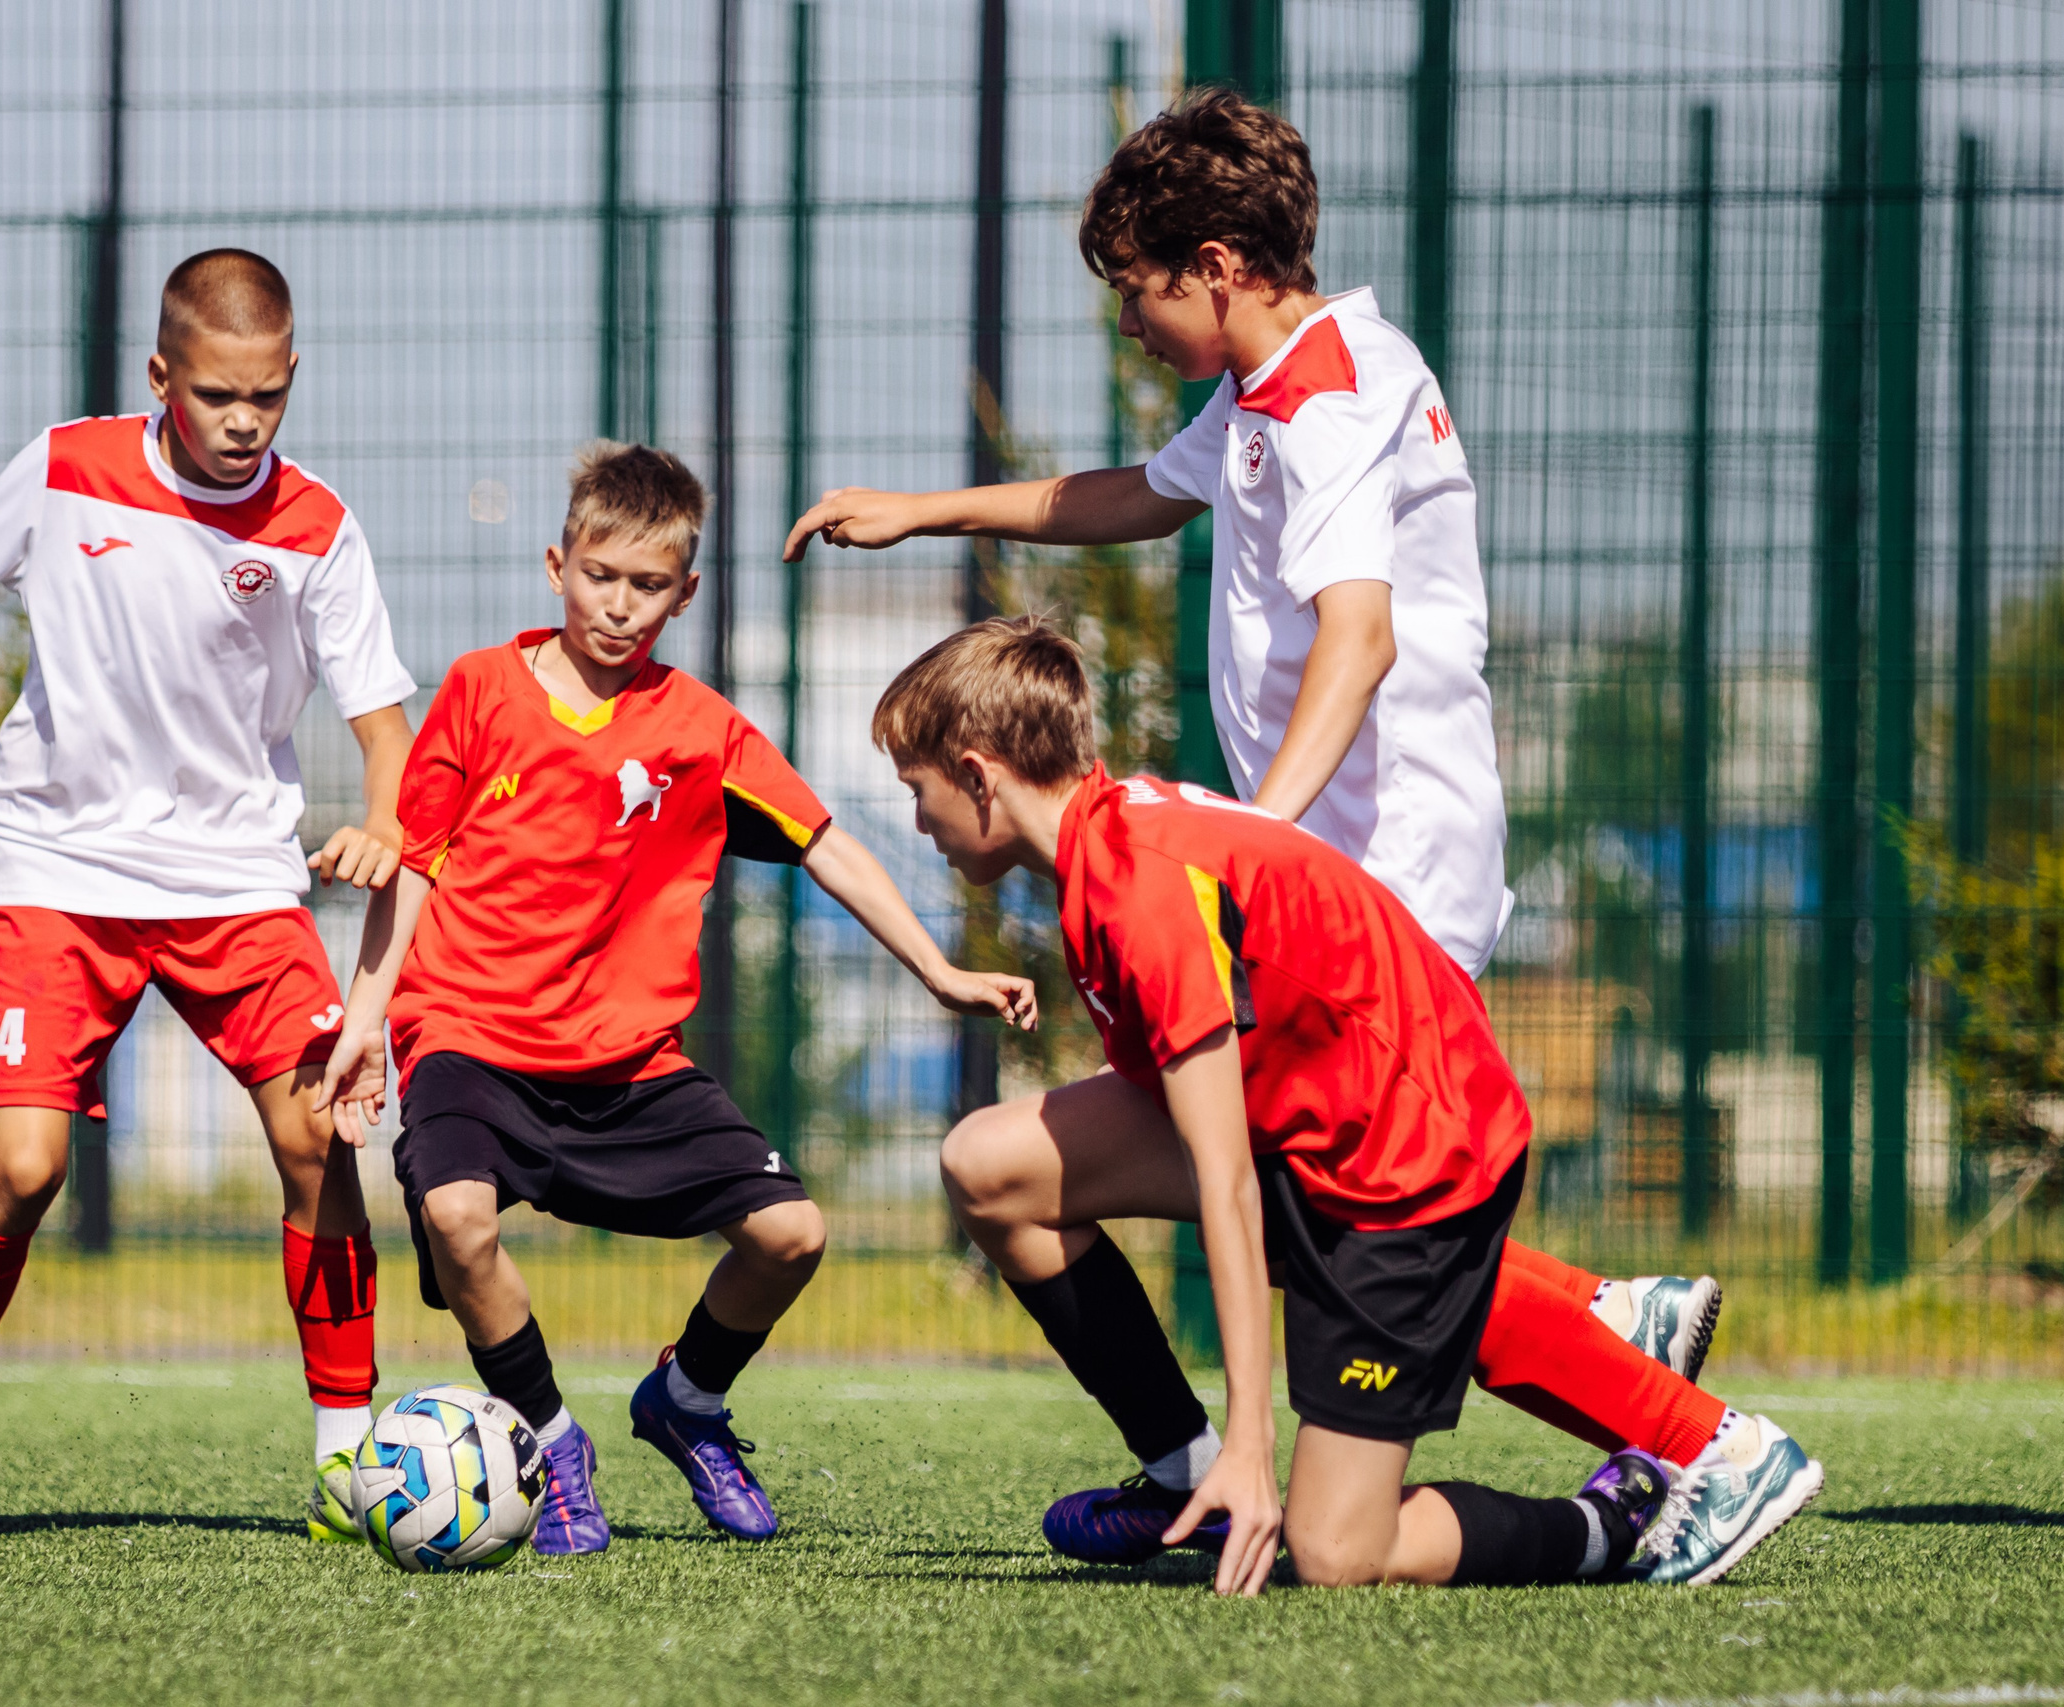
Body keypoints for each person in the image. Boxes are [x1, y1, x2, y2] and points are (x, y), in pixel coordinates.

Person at [785, 84, 1722, 1413]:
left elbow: (1359, 639)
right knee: (1253, 1173)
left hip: (1379, 874)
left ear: (1217, 269)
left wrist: (1250, 849)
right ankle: (1600, 1317)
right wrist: (925, 511)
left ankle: (1655, 1402)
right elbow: (1145, 494)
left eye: (1135, 289)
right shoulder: (1275, 380)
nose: (1126, 321)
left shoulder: (1329, 398)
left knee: (1315, 1193)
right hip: (1344, 862)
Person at [873, 616, 1824, 1593]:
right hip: (1332, 1121)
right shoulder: (1105, 837)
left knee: (1336, 1552)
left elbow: (1227, 1181)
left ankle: (1681, 1474)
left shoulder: (1136, 887)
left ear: (980, 774)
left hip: (1409, 1157)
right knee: (991, 1166)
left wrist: (1253, 1440)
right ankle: (1186, 1476)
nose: (918, 823)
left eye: (919, 793)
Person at [0, 250, 413, 1543]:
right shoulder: (65, 468)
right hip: (54, 864)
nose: (244, 421)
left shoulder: (319, 526)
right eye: (219, 393)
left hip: (235, 878)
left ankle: (348, 1452)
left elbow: (389, 730)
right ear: (160, 376)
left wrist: (388, 817)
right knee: (24, 1161)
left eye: (270, 397)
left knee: (319, 1136)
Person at [316, 443, 1036, 1555]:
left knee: (792, 1235)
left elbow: (826, 844)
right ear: (559, 564)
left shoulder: (702, 731)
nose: (618, 605)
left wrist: (937, 968)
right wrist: (366, 1026)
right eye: (599, 576)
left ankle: (686, 1401)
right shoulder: (478, 693)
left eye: (647, 586)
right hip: (469, 1040)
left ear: (683, 592)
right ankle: (554, 1442)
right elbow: (413, 865)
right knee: (457, 1218)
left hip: (628, 1065)